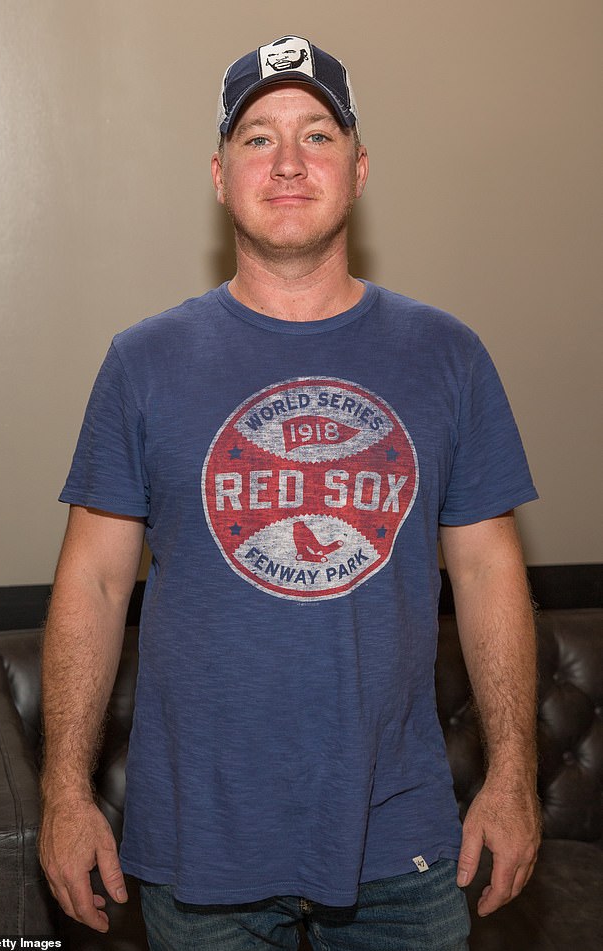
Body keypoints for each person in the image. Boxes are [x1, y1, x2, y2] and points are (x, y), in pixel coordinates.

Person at [39, 34, 541, 951]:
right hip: (201, 846)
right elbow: (96, 584)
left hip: (403, 840)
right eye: (258, 138)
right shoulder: (142, 361)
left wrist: (513, 776)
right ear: (221, 175)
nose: (289, 161)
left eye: (316, 133)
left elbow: (485, 572)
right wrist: (65, 793)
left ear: (357, 167)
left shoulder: (448, 354)